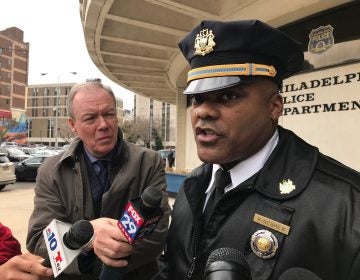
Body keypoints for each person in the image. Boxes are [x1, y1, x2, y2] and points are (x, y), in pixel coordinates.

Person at [154, 20, 360, 280]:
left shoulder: (346, 208)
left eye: (228, 96)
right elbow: (172, 268)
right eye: (198, 98)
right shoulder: (193, 186)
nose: (203, 111)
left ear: (274, 107)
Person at [26, 82, 170, 280]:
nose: (103, 125)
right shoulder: (51, 172)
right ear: (73, 125)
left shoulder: (148, 162)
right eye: (90, 118)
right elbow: (39, 240)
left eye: (109, 114)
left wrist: (107, 259)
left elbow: (157, 234)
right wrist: (89, 237)